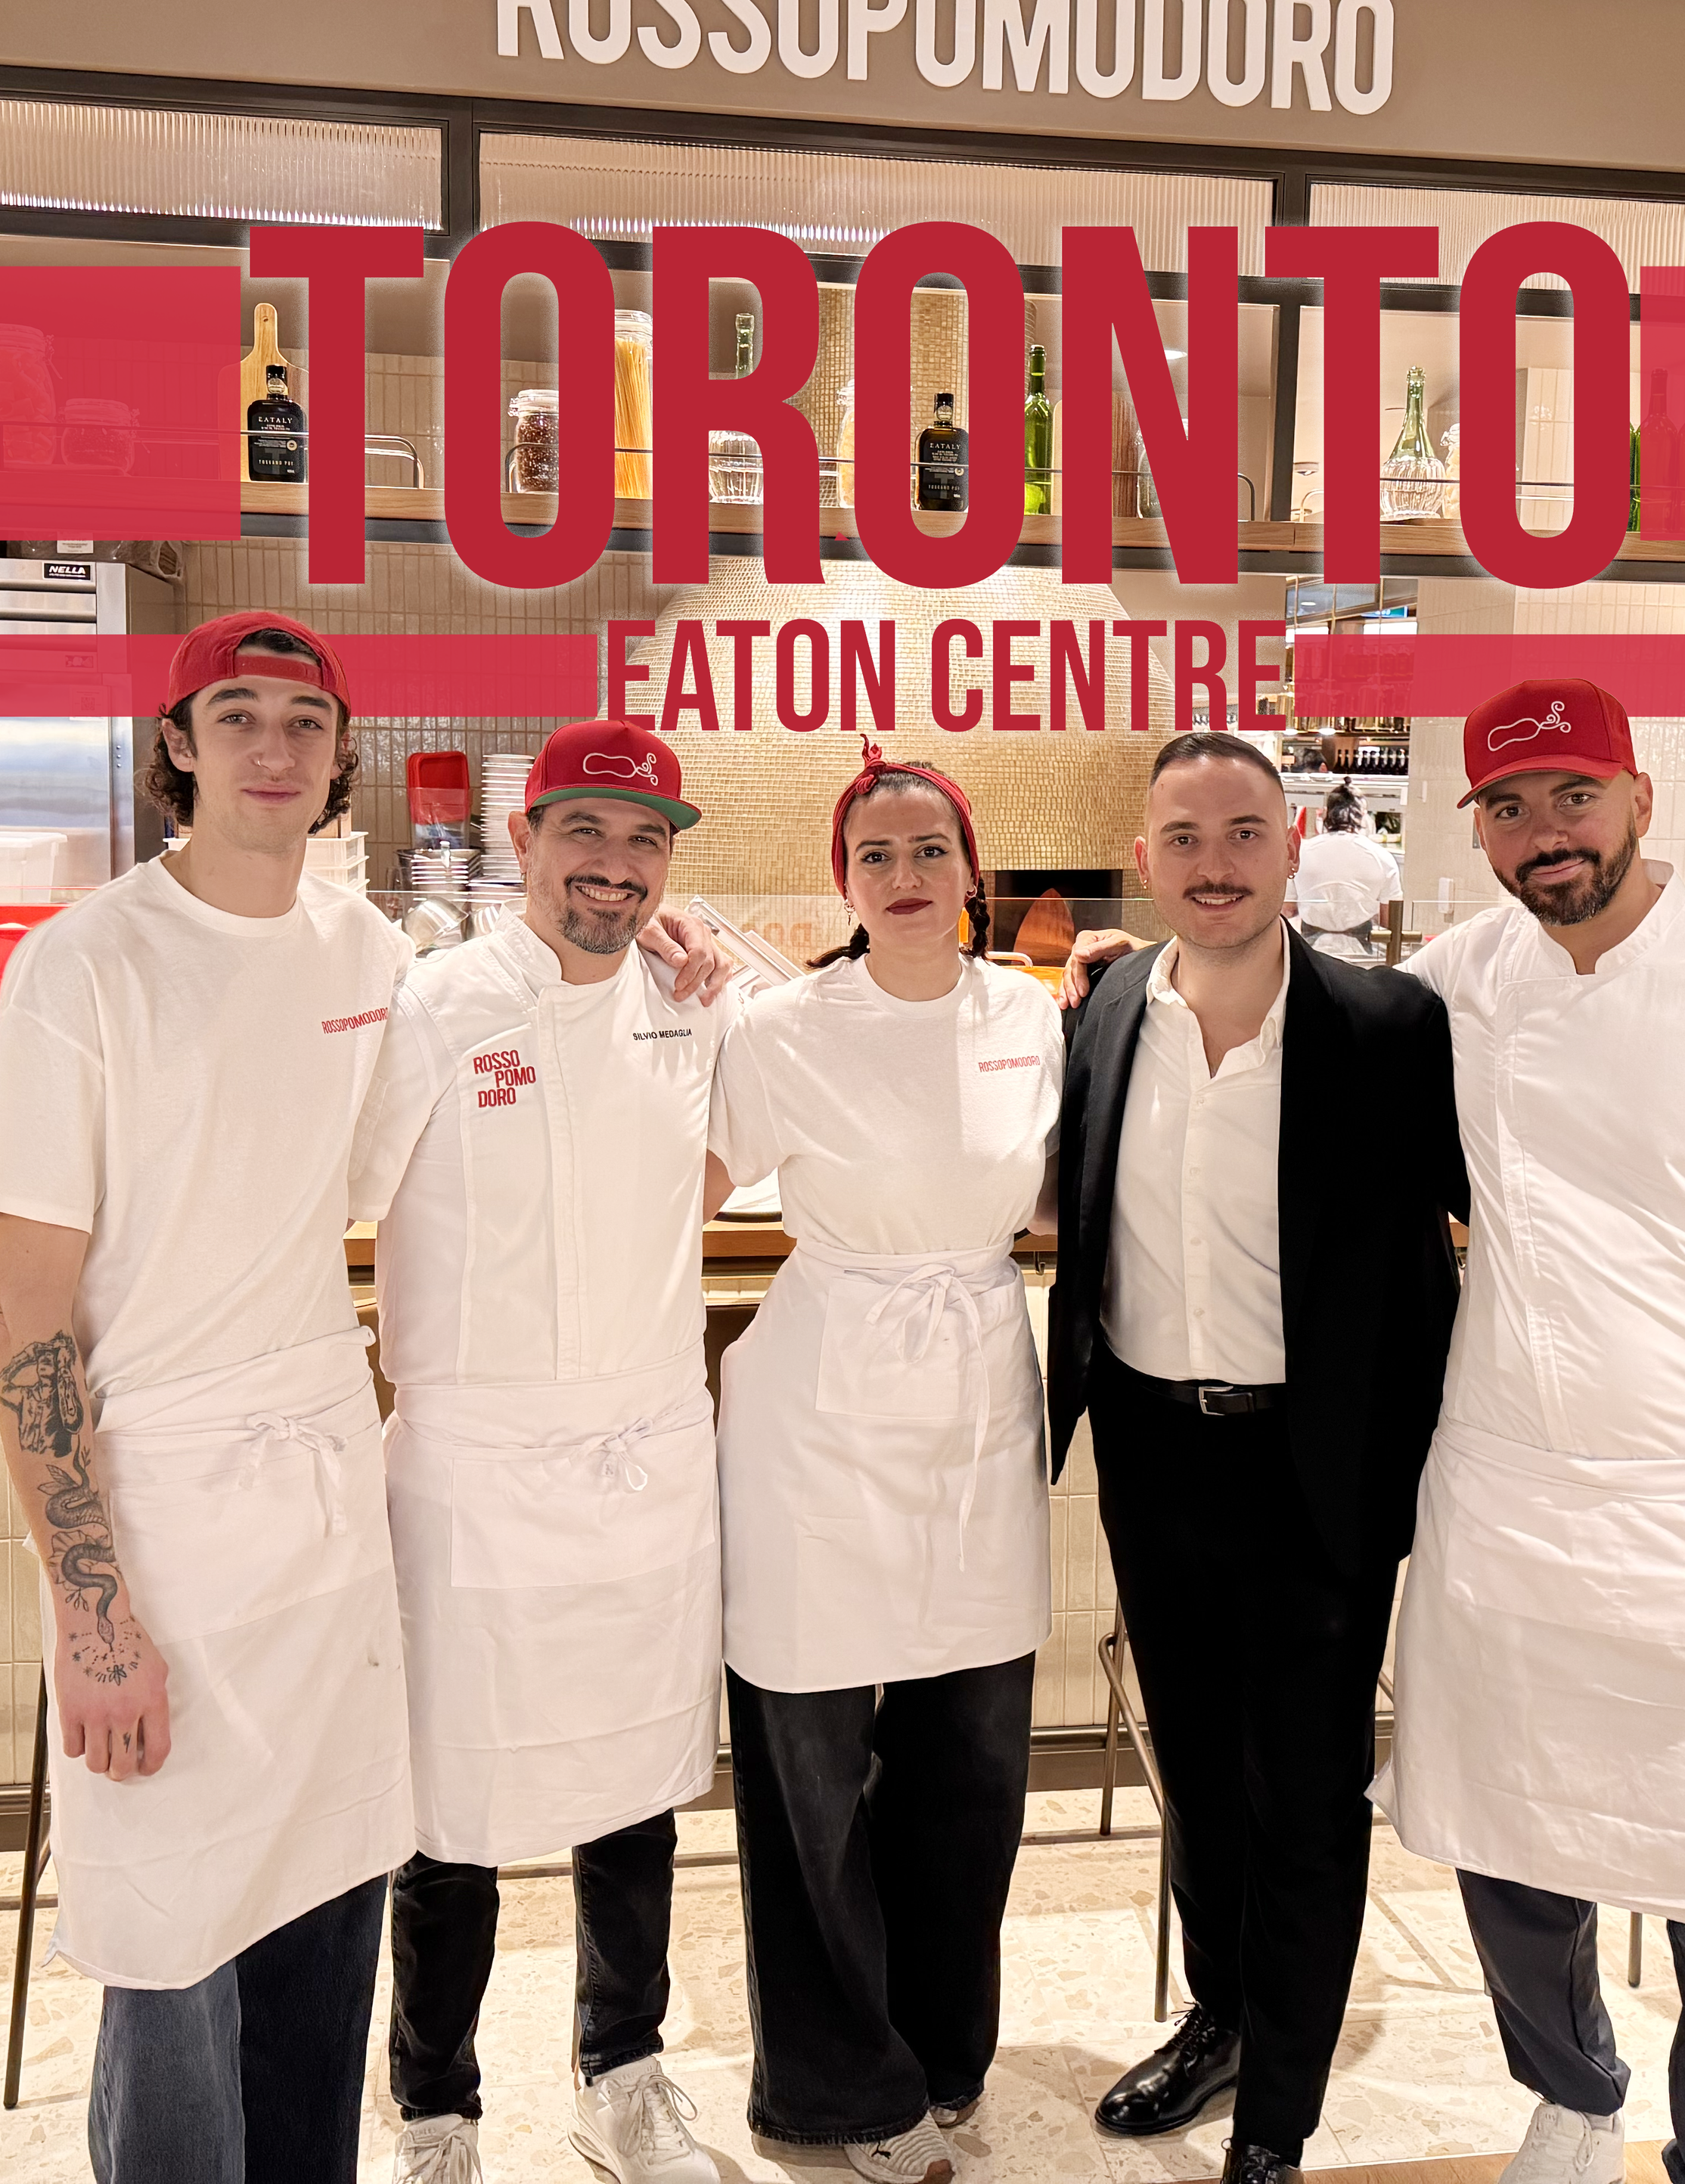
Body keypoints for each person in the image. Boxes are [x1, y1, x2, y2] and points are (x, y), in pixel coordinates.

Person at [1375, 678, 1685, 2184]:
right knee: (1501, 1831)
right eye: (1508, 807)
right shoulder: (1453, 978)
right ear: (1475, 825)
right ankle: (1572, 2091)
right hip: (1502, 1474)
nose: (1544, 833)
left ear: (1639, 793)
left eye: (1570, 794)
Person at [0, 617, 413, 2184]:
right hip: (155, 1517)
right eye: (234, 712)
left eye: (305, 717)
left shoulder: (373, 958)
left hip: (319, 1501)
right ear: (175, 738)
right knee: (170, 1955)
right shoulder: (81, 966)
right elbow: (29, 1310)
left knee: (327, 1920)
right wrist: (95, 1610)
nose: (272, 746)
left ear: (335, 750)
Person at [1048, 730, 1467, 2184]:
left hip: (1317, 1465)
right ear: (1148, 855)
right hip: (1156, 1451)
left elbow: (1522, 1214)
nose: (1213, 863)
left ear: (1293, 849)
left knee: (1303, 1787)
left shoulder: (1390, 1027)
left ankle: (1278, 2112)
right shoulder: (1105, 1011)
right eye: (1185, 836)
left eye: (1242, 832)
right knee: (1204, 1775)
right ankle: (1221, 2016)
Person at [348, 721, 739, 2184]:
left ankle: (623, 2073)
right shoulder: (432, 1007)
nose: (618, 868)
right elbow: (332, 1189)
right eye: (588, 832)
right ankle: (435, 2109)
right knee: (446, 1814)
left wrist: (707, 953)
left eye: (647, 842)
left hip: (643, 1453)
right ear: (523, 842)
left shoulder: (691, 1000)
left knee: (635, 1786)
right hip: (475, 1470)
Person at [703, 741, 1062, 2184]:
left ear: (973, 869)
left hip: (977, 1394)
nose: (904, 877)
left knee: (970, 1761)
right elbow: (674, 1182)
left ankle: (947, 2050)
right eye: (875, 856)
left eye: (929, 850)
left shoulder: (1032, 1016)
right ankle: (831, 2087)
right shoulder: (778, 1028)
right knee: (810, 1766)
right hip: (819, 1408)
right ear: (841, 881)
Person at [1286, 778, 1402, 961]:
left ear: (1326, 814)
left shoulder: (1302, 852)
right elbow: (1392, 920)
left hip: (1310, 954)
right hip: (1360, 955)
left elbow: (1288, 908)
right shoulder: (1382, 857)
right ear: (1363, 815)